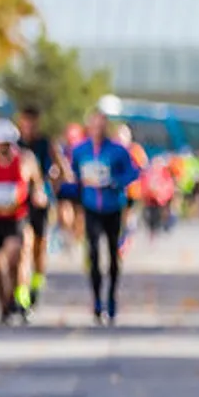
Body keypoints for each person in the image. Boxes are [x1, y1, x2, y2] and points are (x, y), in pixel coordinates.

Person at [69, 108, 139, 326]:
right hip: (91, 207)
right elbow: (73, 174)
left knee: (112, 254)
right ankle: (97, 300)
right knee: (93, 253)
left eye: (101, 126)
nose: (97, 130)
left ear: (105, 127)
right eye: (94, 126)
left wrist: (115, 182)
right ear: (89, 127)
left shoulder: (117, 150)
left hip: (112, 207)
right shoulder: (80, 150)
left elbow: (133, 172)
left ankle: (111, 297)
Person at [0, 119, 44, 324]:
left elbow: (37, 183)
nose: (4, 150)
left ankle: (20, 299)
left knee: (15, 258)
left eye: (7, 145)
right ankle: (4, 305)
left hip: (15, 218)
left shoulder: (24, 161)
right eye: (0, 145)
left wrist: (39, 194)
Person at [16, 106, 56, 308]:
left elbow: (56, 169)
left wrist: (50, 190)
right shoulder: (15, 144)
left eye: (32, 123)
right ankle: (20, 291)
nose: (29, 127)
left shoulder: (45, 144)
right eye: (25, 123)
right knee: (25, 244)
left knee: (40, 246)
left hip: (40, 200)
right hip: (21, 201)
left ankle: (36, 283)